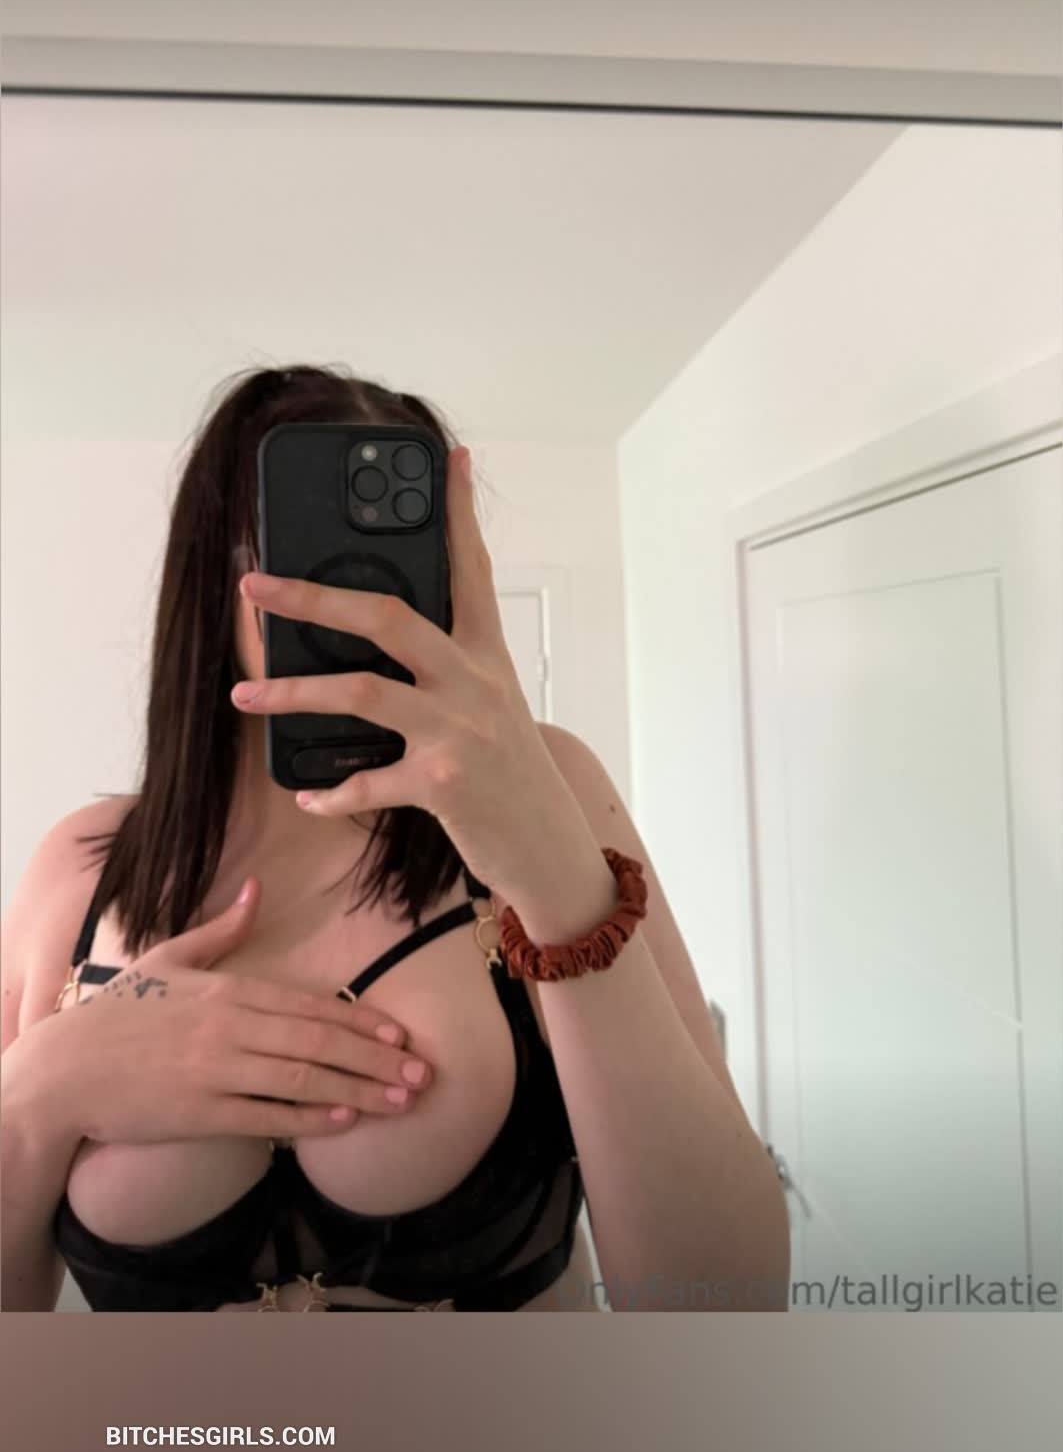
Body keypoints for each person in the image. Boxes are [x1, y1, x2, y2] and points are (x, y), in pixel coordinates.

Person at [1, 364, 790, 1313]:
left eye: (399, 553)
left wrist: (552, 874)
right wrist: (35, 1095)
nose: (357, 589)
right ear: (215, 578)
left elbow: (724, 1305)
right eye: (305, 547)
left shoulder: (554, 785)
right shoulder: (79, 868)